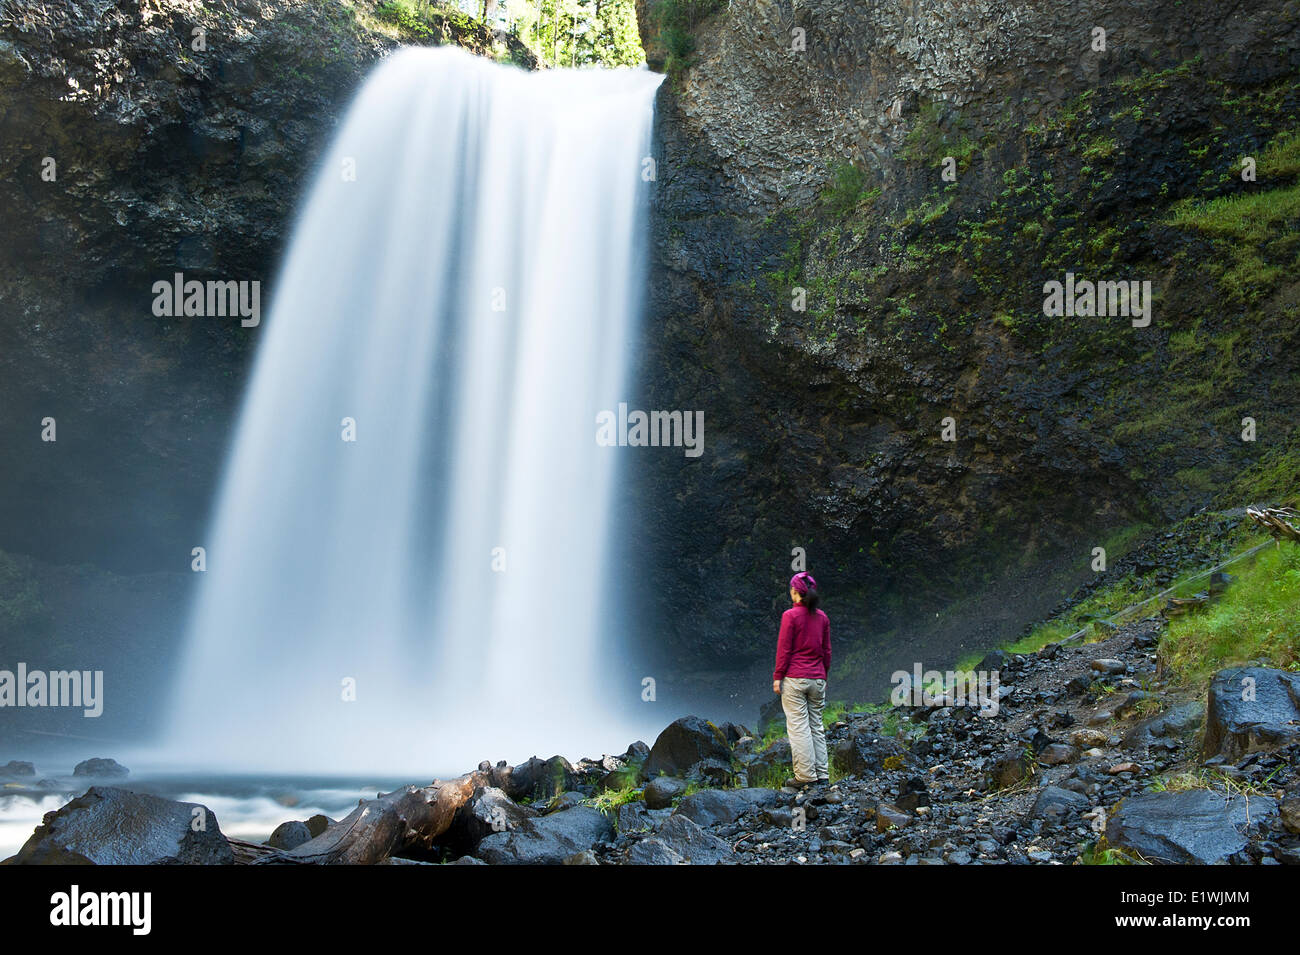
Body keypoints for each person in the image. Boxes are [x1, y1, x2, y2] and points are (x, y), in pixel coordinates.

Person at [772, 571, 831, 788]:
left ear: (795, 592)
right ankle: (822, 775)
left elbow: (784, 649)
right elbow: (827, 650)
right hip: (817, 678)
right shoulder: (823, 617)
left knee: (799, 728)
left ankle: (805, 777)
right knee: (816, 725)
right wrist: (823, 674)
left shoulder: (790, 616)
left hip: (795, 678)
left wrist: (778, 676)